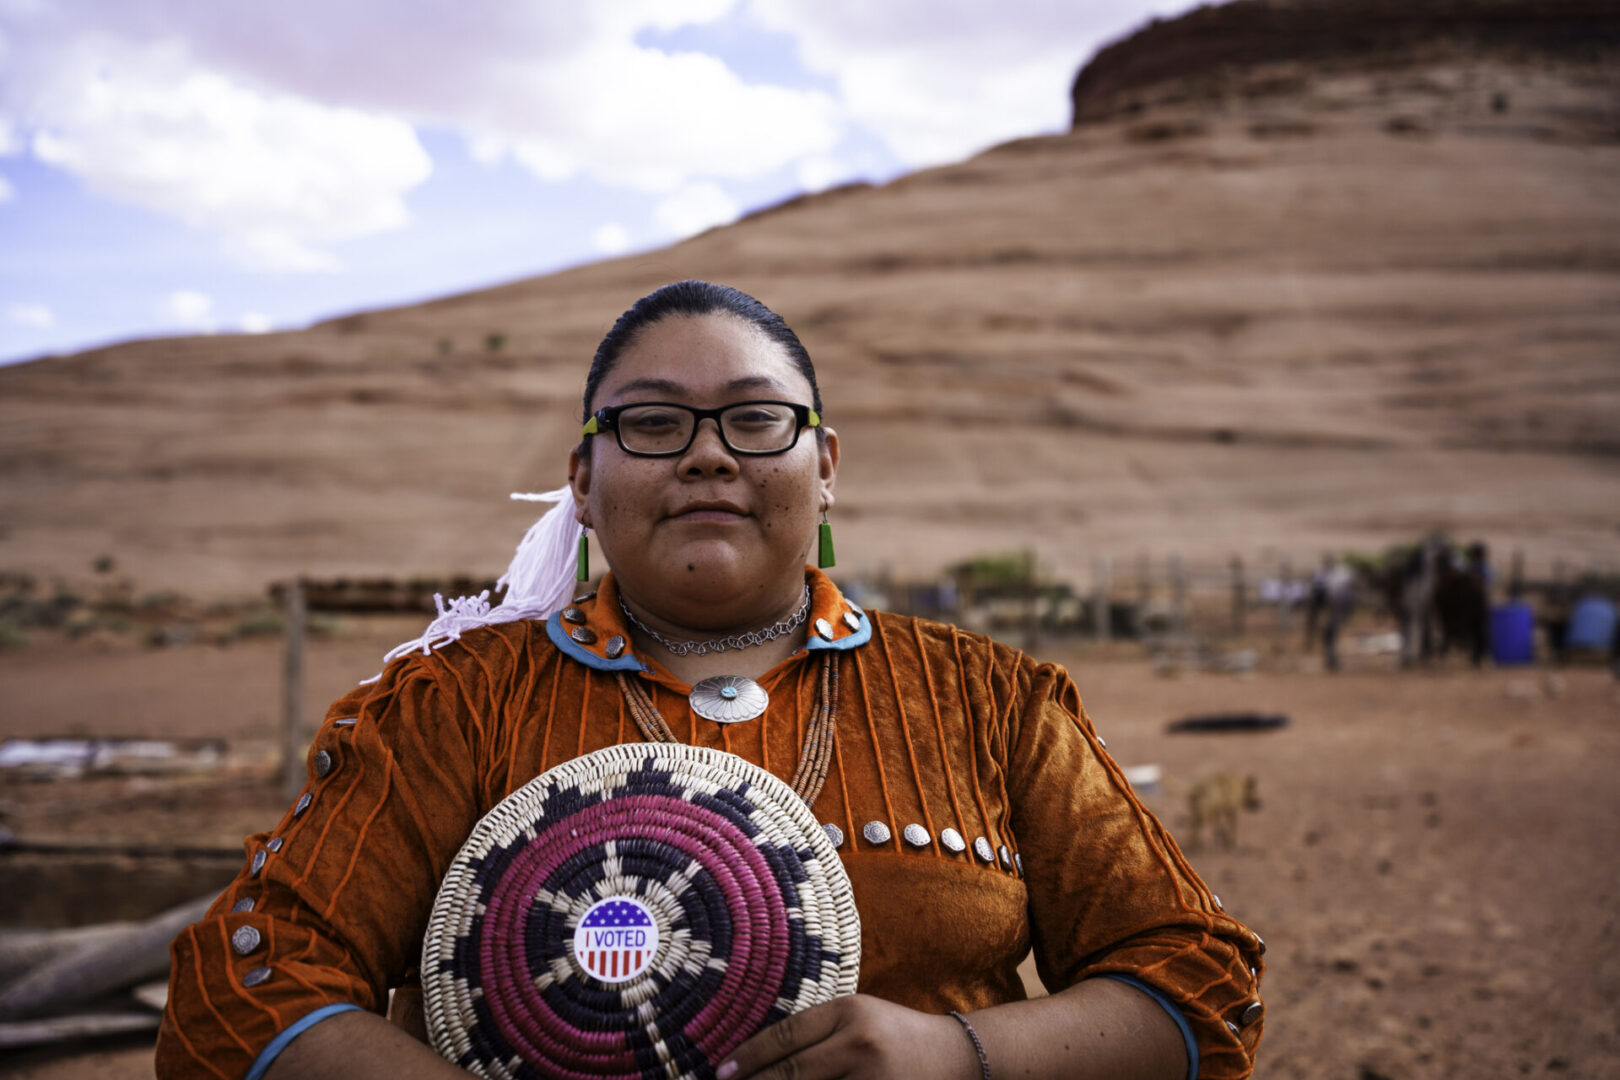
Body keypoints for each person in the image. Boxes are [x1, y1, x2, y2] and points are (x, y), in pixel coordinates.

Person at [157, 281, 1264, 1080]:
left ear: (823, 467)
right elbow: (236, 998)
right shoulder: (454, 704)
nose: (706, 455)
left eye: (753, 418)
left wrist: (959, 1054)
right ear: (583, 482)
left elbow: (1200, 982)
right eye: (652, 423)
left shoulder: (991, 701)